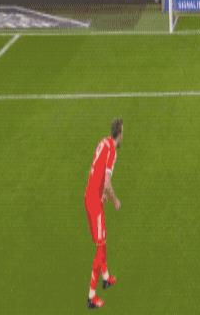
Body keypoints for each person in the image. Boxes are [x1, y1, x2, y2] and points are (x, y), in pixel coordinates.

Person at [84, 119, 123, 309]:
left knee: (102, 240)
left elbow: (96, 169)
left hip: (92, 197)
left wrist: (100, 193)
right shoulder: (112, 151)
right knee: (100, 248)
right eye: (123, 133)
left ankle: (106, 278)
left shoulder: (103, 141)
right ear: (119, 134)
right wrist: (114, 200)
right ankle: (91, 296)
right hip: (94, 204)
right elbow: (107, 182)